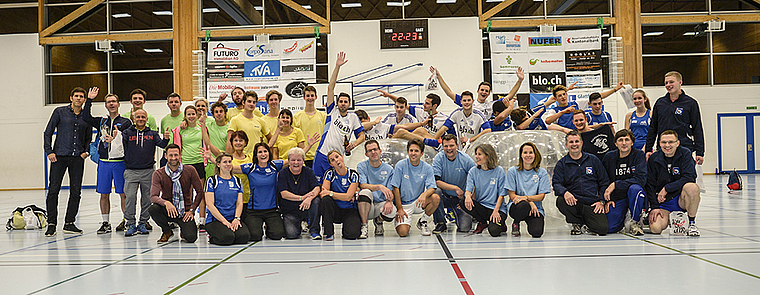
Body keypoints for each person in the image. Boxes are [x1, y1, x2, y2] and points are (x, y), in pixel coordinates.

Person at [43, 86, 96, 237]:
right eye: (76, 96)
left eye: (81, 96)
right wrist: (49, 151)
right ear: (71, 98)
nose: (78, 98)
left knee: (76, 191)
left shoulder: (86, 116)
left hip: (77, 158)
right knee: (53, 190)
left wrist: (86, 151)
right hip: (59, 156)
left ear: (85, 100)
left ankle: (69, 223)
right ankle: (51, 224)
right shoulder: (60, 112)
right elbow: (47, 132)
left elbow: (88, 137)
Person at [82, 92, 132, 234]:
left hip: (120, 163)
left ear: (118, 104)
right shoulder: (101, 122)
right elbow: (85, 117)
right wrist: (90, 100)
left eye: (114, 101)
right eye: (109, 102)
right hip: (104, 163)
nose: (111, 104)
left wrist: (119, 135)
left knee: (123, 193)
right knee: (104, 194)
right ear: (105, 105)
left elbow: (129, 137)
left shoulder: (125, 122)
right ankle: (105, 223)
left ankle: (127, 221)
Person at [645, 71, 704, 189]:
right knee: (661, 179)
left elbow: (697, 128)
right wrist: (648, 149)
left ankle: (685, 205)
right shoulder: (660, 103)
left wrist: (700, 152)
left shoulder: (690, 103)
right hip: (663, 148)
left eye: (671, 82)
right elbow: (653, 128)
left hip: (684, 147)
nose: (668, 85)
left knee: (685, 180)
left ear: (680, 82)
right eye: (666, 83)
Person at [313, 52, 365, 182]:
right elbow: (330, 88)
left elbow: (362, 136)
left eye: (345, 102)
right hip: (323, 155)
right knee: (318, 186)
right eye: (340, 101)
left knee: (335, 187)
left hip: (338, 159)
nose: (343, 104)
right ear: (337, 103)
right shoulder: (332, 112)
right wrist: (337, 67)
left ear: (349, 104)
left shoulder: (353, 118)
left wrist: (354, 144)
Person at [122, 108, 170, 237]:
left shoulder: (153, 134)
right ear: (134, 119)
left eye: (143, 117)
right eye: (138, 117)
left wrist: (166, 139)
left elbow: (162, 145)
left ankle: (143, 222)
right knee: (130, 197)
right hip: (131, 171)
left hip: (148, 171)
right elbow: (120, 147)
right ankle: (131, 223)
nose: (141, 119)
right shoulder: (126, 133)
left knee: (148, 199)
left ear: (147, 119)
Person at [553, 131, 610, 235]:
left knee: (602, 229)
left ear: (582, 143)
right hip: (574, 202)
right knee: (560, 201)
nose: (574, 144)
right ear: (566, 145)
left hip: (591, 203)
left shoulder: (593, 160)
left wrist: (601, 201)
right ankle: (576, 223)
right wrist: (565, 192)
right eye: (571, 142)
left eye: (576, 141)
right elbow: (556, 183)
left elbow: (604, 182)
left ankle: (585, 223)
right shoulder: (562, 164)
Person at [646, 130, 701, 236]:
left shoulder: (685, 154)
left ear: (677, 143)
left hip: (681, 199)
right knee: (656, 229)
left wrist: (667, 188)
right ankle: (674, 221)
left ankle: (691, 223)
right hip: (664, 203)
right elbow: (650, 184)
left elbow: (690, 176)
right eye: (664, 142)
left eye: (671, 142)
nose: (667, 145)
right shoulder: (654, 158)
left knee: (692, 187)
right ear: (659, 144)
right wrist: (654, 207)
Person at [149, 144, 204, 243]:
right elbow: (153, 197)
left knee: (191, 238)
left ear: (180, 155)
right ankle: (167, 231)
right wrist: (166, 203)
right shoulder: (158, 174)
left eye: (176, 155)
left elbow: (200, 192)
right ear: (165, 156)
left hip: (185, 211)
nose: (173, 158)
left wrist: (192, 210)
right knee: (153, 209)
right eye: (170, 155)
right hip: (168, 210)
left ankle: (184, 229)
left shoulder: (190, 170)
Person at [233, 142, 285, 241]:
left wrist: (308, 146)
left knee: (277, 235)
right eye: (260, 152)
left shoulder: (275, 166)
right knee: (255, 236)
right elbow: (228, 167)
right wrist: (212, 159)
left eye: (265, 151)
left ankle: (270, 227)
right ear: (256, 155)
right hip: (254, 211)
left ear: (269, 153)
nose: (263, 154)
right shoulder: (250, 168)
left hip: (272, 210)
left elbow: (294, 160)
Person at [390, 139, 440, 237]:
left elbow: (432, 187)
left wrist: (423, 194)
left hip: (418, 202)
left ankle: (423, 221)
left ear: (421, 153)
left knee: (435, 198)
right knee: (403, 233)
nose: (413, 153)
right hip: (403, 205)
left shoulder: (427, 167)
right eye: (411, 150)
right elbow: (395, 188)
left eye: (416, 151)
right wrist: (399, 209)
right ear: (408, 152)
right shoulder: (401, 165)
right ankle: (401, 221)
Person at [601, 129, 647, 235]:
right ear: (615, 143)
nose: (624, 143)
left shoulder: (639, 155)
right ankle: (623, 217)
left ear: (632, 142)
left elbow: (640, 179)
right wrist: (606, 200)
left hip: (634, 194)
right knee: (610, 228)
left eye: (627, 139)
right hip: (618, 197)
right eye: (620, 140)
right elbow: (603, 180)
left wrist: (616, 184)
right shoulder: (609, 157)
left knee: (635, 189)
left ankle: (635, 222)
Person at [172, 105, 210, 231]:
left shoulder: (201, 128)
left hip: (199, 163)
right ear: (185, 116)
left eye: (193, 114)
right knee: (187, 193)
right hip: (186, 165)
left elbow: (206, 142)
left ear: (196, 115)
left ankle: (202, 221)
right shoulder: (180, 129)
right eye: (188, 114)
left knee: (201, 192)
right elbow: (177, 145)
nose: (191, 116)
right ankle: (186, 219)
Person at [431, 134, 476, 233]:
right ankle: (440, 223)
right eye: (446, 146)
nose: (449, 149)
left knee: (464, 228)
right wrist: (455, 188)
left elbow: (476, 179)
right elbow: (436, 182)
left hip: (460, 198)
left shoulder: (466, 159)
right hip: (444, 196)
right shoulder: (438, 158)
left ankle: (462, 215)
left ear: (457, 145)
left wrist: (469, 198)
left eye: (451, 145)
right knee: (435, 192)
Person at [461, 144, 508, 236]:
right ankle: (482, 222)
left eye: (479, 154)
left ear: (488, 155)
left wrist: (496, 211)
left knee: (494, 232)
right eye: (476, 154)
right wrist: (467, 197)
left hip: (497, 208)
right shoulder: (473, 171)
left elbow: (501, 195)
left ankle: (501, 224)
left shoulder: (499, 171)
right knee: (463, 202)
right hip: (482, 207)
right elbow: (468, 189)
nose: (476, 157)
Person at [204, 153, 250, 245]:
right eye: (225, 162)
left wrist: (236, 219)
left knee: (244, 237)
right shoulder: (212, 180)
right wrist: (224, 222)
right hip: (216, 220)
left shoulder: (237, 181)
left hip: (232, 219)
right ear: (218, 164)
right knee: (227, 238)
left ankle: (229, 231)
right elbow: (209, 204)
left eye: (230, 162)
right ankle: (213, 237)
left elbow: (239, 203)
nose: (228, 164)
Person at [505, 142, 549, 238]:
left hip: (535, 209)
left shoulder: (542, 172)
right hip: (518, 206)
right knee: (523, 206)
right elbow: (512, 195)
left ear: (535, 154)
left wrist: (527, 198)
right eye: (525, 152)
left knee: (537, 232)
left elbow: (541, 196)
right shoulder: (513, 171)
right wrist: (530, 202)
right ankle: (516, 222)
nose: (528, 155)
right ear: (521, 155)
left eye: (531, 152)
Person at [277, 147, 321, 239]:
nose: (296, 163)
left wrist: (309, 198)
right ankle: (299, 225)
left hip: (306, 207)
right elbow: (284, 194)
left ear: (303, 161)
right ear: (288, 161)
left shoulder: (308, 171)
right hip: (290, 210)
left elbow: (317, 188)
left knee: (316, 200)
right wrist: (302, 198)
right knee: (291, 235)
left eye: (299, 160)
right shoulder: (283, 173)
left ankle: (314, 230)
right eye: (293, 160)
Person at [356, 140, 396, 237]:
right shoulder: (361, 166)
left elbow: (391, 190)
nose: (373, 152)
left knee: (392, 212)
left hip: (381, 203)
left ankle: (378, 221)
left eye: (375, 149)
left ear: (380, 151)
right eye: (370, 151)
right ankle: (364, 226)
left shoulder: (389, 169)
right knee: (365, 192)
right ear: (366, 154)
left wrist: (389, 201)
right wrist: (379, 186)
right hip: (367, 204)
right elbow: (363, 185)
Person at [319, 150, 362, 240]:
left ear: (342, 157)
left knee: (351, 235)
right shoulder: (329, 174)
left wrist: (331, 193)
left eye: (337, 157)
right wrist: (341, 196)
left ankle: (348, 227)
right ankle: (329, 232)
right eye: (332, 160)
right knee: (326, 200)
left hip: (349, 209)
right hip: (335, 210)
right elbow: (323, 194)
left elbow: (348, 197)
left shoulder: (353, 174)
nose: (336, 160)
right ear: (331, 164)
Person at [376, 91, 448, 137]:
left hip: (433, 144)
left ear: (434, 106)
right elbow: (402, 103)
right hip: (421, 145)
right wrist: (389, 95)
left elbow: (452, 135)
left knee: (418, 130)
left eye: (427, 103)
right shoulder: (419, 112)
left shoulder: (444, 119)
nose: (424, 105)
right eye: (424, 102)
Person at [293, 85, 327, 168]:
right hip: (303, 156)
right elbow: (295, 138)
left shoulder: (323, 116)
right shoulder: (297, 116)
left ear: (316, 97)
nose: (310, 98)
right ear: (304, 97)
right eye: (307, 96)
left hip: (319, 155)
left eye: (312, 95)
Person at [355, 109, 429, 141]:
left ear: (368, 118)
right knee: (401, 132)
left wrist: (422, 123)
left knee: (420, 130)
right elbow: (362, 126)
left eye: (365, 122)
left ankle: (436, 143)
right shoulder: (359, 132)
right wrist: (374, 122)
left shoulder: (381, 126)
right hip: (369, 155)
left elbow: (404, 126)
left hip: (386, 151)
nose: (366, 127)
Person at [204, 102, 230, 179]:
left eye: (221, 111)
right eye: (216, 112)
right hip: (211, 163)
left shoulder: (230, 127)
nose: (219, 114)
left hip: (225, 164)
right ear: (213, 114)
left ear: (225, 113)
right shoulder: (208, 125)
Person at [158, 93, 184, 168]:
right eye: (171, 102)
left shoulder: (186, 118)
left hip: (181, 154)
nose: (173, 104)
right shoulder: (164, 120)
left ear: (180, 104)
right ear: (168, 104)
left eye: (176, 102)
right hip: (168, 154)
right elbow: (164, 139)